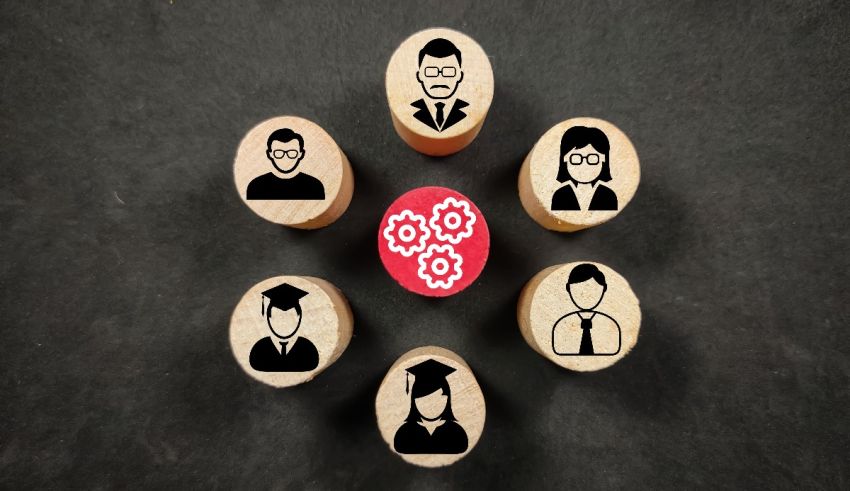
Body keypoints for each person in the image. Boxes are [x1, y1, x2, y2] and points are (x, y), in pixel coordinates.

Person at [393, 359, 468, 454]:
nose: (431, 405)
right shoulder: (404, 434)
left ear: (447, 399)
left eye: (438, 398)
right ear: (414, 401)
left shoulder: (457, 434)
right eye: (423, 399)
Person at [551, 264, 621, 356]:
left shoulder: (611, 325)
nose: (586, 296)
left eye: (593, 290)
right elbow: (559, 351)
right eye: (579, 290)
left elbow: (612, 351)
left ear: (604, 289)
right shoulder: (561, 324)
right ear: (568, 288)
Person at [249, 282, 319, 372]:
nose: (284, 323)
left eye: (290, 317)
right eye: (278, 317)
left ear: (299, 318)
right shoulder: (260, 350)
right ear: (268, 318)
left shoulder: (308, 350)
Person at [550, 126, 618, 211]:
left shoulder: (608, 196)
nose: (584, 165)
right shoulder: (560, 195)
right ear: (564, 159)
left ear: (604, 160)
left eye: (593, 158)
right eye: (576, 158)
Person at [246, 128, 325, 200]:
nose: (285, 158)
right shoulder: (256, 186)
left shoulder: (314, 186)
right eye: (279, 152)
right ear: (270, 154)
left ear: (301, 154)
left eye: (292, 152)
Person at [410, 38, 469, 133]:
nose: (440, 79)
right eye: (431, 71)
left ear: (460, 75)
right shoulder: (409, 109)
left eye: (449, 71)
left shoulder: (468, 109)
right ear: (419, 75)